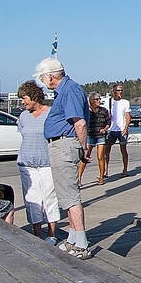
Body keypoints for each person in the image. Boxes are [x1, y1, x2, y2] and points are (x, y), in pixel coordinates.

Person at [36, 57, 93, 259]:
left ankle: (81, 244)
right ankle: (73, 239)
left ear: (50, 77)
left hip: (64, 144)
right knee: (66, 196)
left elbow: (80, 123)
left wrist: (84, 147)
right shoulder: (67, 90)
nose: (42, 81)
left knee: (70, 196)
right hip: (61, 144)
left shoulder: (69, 91)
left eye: (42, 77)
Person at [16, 80, 60, 242]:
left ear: (34, 97)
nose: (22, 102)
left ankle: (52, 234)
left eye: (24, 98)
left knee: (49, 197)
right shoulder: (23, 116)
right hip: (26, 163)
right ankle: (36, 233)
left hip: (47, 163)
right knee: (32, 199)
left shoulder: (50, 113)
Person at [79, 92, 111, 186]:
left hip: (100, 136)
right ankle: (79, 179)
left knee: (100, 157)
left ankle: (101, 177)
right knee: (85, 157)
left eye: (99, 99)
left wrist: (105, 129)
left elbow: (108, 122)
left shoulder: (104, 110)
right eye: (97, 99)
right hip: (89, 136)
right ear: (91, 101)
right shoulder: (86, 111)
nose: (99, 101)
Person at [105, 83, 132, 177]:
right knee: (107, 150)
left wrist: (126, 127)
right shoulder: (108, 102)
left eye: (121, 90)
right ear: (114, 92)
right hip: (111, 129)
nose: (120, 92)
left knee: (123, 149)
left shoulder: (125, 102)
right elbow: (105, 115)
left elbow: (128, 116)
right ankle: (105, 170)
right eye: (118, 90)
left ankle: (125, 170)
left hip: (121, 129)